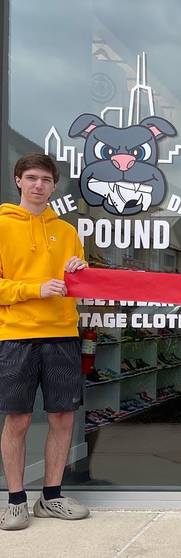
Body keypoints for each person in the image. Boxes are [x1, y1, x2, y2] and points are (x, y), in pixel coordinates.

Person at [0, 154, 90, 530]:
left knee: (63, 417)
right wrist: (33, 289)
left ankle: (50, 497)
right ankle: (16, 500)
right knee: (18, 419)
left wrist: (80, 273)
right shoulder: (2, 226)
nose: (39, 185)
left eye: (46, 180)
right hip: (17, 335)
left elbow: (81, 288)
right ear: (18, 181)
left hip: (62, 334)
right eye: (31, 178)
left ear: (54, 186)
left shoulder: (68, 232)